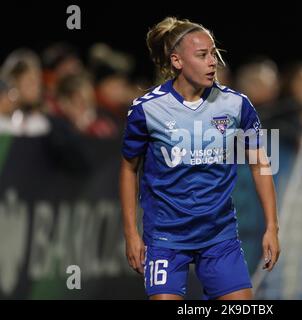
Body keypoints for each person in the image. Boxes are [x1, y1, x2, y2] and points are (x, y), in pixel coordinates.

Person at [119, 17, 280, 300]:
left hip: (220, 237)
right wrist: (131, 233)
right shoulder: (147, 109)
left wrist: (272, 226)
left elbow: (260, 164)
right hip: (165, 237)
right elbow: (128, 169)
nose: (212, 62)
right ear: (177, 61)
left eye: (214, 53)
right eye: (202, 55)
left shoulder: (237, 105)